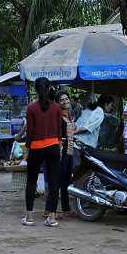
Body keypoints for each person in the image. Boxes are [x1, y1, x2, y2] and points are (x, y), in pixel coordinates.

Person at [22, 77, 62, 227]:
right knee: (53, 183)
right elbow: (58, 129)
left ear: (35, 90)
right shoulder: (56, 108)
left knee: (31, 181)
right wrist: (59, 146)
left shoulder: (31, 108)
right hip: (53, 147)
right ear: (49, 89)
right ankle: (52, 218)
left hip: (36, 147)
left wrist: (27, 149)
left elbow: (30, 131)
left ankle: (30, 217)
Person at [54, 89, 79, 218]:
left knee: (65, 182)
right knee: (57, 182)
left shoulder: (68, 116)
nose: (65, 101)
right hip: (61, 153)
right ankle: (50, 211)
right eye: (62, 100)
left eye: (67, 99)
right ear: (57, 103)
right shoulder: (58, 117)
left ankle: (66, 209)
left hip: (69, 152)